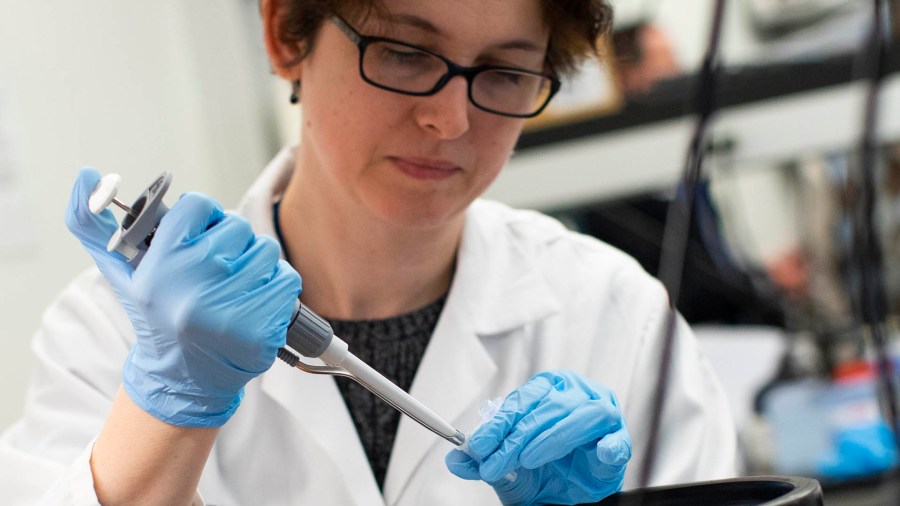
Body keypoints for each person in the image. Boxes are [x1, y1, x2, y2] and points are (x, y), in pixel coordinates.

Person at [0, 0, 737, 504]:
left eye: (506, 72)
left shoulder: (616, 314)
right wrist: (166, 411)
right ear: (287, 33)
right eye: (406, 53)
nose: (450, 119)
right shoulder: (110, 333)